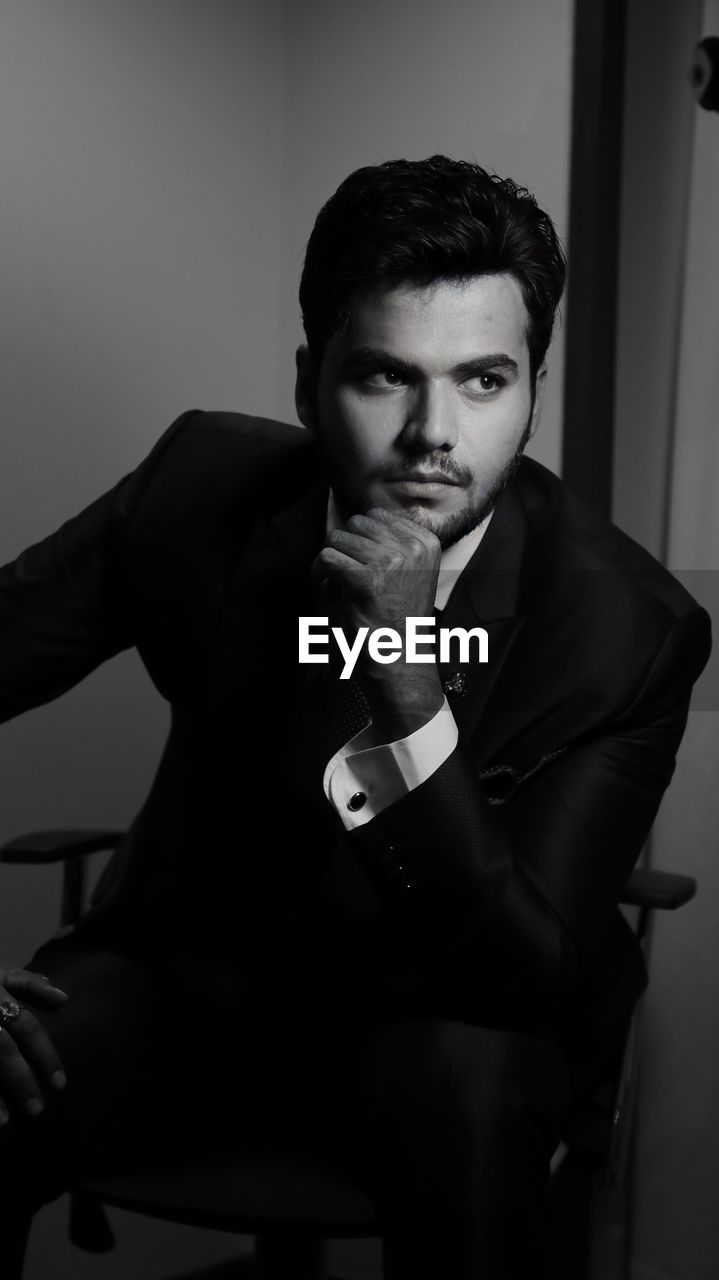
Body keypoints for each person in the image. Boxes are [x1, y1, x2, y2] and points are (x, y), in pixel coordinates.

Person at [0, 155, 711, 1279]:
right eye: (386, 374)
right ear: (307, 381)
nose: (434, 432)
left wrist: (404, 673)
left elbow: (522, 974)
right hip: (188, 985)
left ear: (532, 389)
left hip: (435, 1022)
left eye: (483, 380)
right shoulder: (198, 487)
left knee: (476, 1091)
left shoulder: (625, 628)